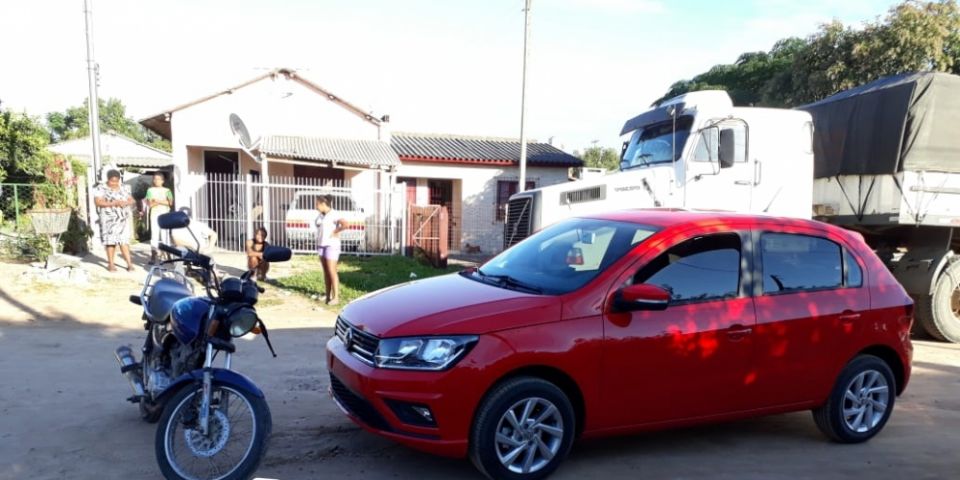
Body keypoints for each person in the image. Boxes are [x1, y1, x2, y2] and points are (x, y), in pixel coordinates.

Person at [94, 169, 135, 272]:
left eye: (116, 181)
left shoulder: (125, 188)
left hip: (122, 219)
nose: (114, 183)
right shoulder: (101, 188)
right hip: (108, 219)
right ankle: (111, 264)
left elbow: (132, 200)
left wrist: (126, 203)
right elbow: (98, 202)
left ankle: (129, 264)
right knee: (110, 242)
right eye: (112, 181)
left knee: (124, 241)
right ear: (108, 179)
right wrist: (113, 203)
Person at [315, 195, 346, 305]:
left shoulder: (334, 214)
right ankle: (328, 296)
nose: (316, 206)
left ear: (323, 204)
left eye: (317, 204)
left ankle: (336, 297)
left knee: (332, 271)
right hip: (321, 245)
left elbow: (345, 224)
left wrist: (336, 231)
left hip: (331, 245)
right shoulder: (320, 215)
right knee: (326, 272)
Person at [145, 171, 173, 265]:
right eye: (155, 179)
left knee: (165, 236)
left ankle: (168, 255)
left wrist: (156, 200)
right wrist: (162, 201)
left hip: (165, 215)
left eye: (158, 179)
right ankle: (153, 256)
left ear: (162, 180)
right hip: (154, 215)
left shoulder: (167, 190)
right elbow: (150, 204)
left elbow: (170, 203)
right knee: (154, 236)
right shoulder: (150, 190)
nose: (156, 181)